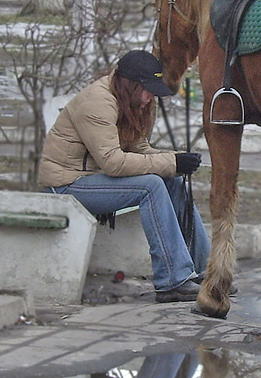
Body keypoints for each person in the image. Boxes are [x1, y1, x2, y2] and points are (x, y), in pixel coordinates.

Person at [38, 49, 210, 303]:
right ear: (130, 85)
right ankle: (172, 281)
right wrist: (170, 162)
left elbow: (140, 150)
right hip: (67, 185)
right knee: (150, 185)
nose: (151, 97)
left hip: (94, 180)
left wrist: (176, 160)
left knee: (171, 179)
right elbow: (113, 164)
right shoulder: (98, 102)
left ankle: (208, 272)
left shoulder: (129, 102)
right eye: (148, 89)